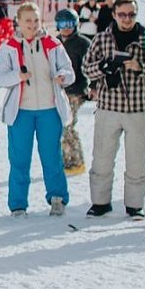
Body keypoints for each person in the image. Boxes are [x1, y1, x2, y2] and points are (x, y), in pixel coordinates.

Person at [0, 4, 75, 216]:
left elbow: (69, 71)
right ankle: (18, 204)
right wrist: (17, 77)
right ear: (18, 21)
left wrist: (63, 77)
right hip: (21, 112)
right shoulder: (9, 46)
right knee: (19, 159)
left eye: (36, 20)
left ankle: (57, 198)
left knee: (51, 156)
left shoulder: (53, 44)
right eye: (28, 20)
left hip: (49, 109)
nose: (32, 25)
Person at [80, 0, 145, 218]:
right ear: (114, 14)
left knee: (136, 161)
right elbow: (86, 68)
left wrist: (140, 67)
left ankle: (134, 204)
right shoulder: (102, 38)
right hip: (108, 107)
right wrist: (103, 67)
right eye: (122, 14)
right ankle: (100, 202)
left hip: (138, 107)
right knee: (102, 158)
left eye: (131, 14)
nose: (127, 19)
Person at [54, 10, 91, 176]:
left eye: (69, 25)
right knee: (60, 126)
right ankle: (67, 158)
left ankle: (75, 161)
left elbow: (90, 67)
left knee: (67, 126)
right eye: (62, 25)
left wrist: (91, 86)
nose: (66, 29)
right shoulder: (55, 43)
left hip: (75, 90)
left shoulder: (83, 43)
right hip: (60, 90)